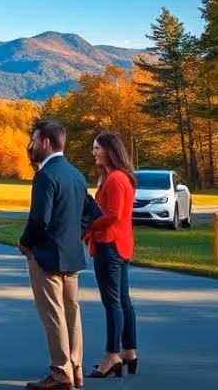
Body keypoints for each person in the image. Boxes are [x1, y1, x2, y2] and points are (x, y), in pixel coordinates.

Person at [19, 120, 101, 390]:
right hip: (71, 255)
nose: (31, 145)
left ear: (45, 143)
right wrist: (73, 234)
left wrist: (26, 242)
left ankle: (60, 373)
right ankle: (75, 368)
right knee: (71, 313)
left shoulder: (45, 175)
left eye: (34, 140)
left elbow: (40, 219)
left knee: (53, 315)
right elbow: (92, 211)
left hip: (46, 256)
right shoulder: (76, 175)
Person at [82, 133, 139, 379]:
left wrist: (88, 226)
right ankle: (129, 350)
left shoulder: (115, 179)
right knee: (123, 300)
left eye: (97, 148)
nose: (93, 152)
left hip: (110, 244)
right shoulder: (119, 177)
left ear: (109, 150)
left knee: (112, 301)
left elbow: (114, 214)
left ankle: (112, 354)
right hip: (119, 244)